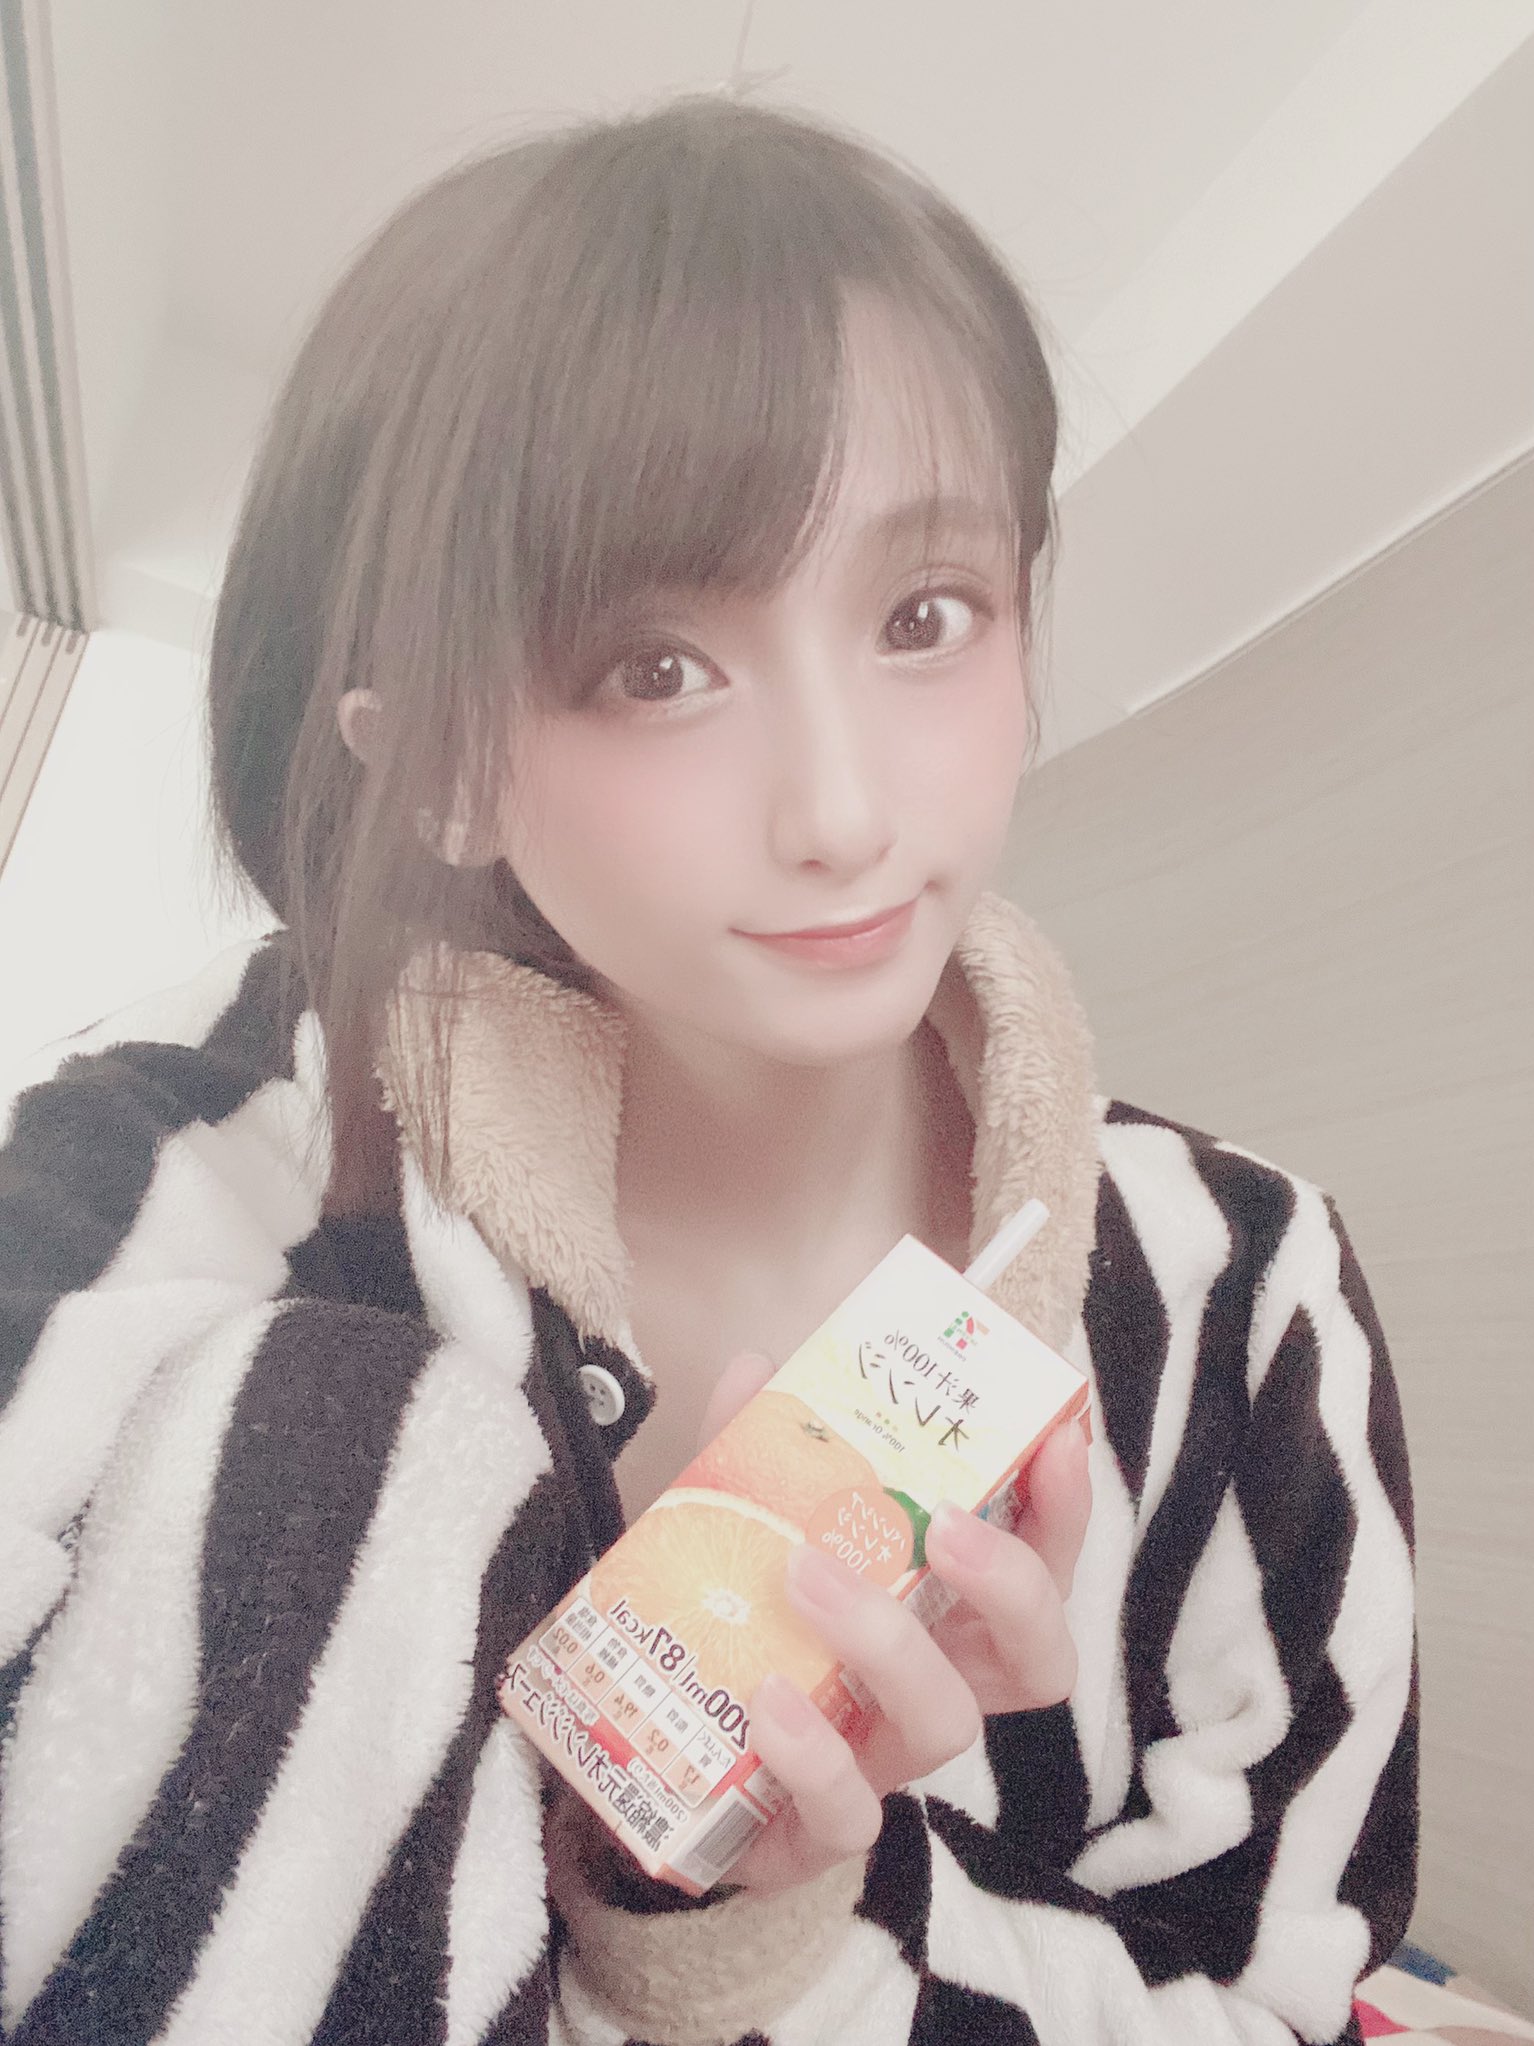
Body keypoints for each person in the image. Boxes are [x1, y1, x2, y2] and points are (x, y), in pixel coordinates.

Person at [0, 94, 1416, 2046]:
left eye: (922, 617)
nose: (841, 813)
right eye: (654, 668)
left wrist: (750, 1921)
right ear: (443, 764)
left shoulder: (1242, 1300)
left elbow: (1272, 2000)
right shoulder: (205, 1150)